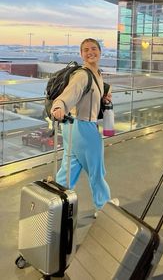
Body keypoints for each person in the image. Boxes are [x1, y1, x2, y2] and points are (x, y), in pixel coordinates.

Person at [51, 38, 119, 214]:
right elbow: (69, 94)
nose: (90, 52)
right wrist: (59, 106)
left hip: (71, 127)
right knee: (96, 169)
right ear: (81, 54)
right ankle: (103, 206)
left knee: (69, 168)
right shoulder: (82, 75)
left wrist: (102, 98)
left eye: (94, 49)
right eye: (86, 50)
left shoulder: (97, 74)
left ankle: (56, 204)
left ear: (100, 52)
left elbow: (90, 96)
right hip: (83, 127)